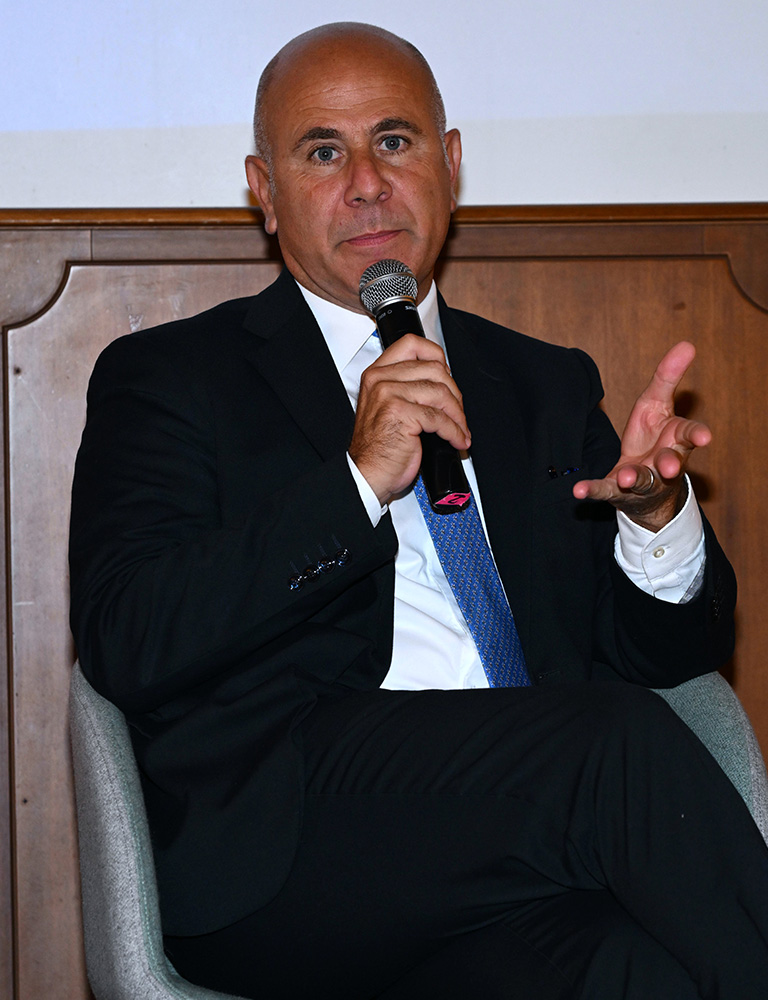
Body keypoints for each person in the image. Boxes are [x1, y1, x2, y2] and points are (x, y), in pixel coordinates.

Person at [68, 21, 768, 1000]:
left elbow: (668, 656)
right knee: (612, 742)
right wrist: (356, 480)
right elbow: (128, 638)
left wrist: (656, 520)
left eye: (393, 141)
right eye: (323, 152)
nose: (366, 182)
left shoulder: (542, 384)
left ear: (450, 164)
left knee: (644, 970)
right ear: (264, 191)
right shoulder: (172, 379)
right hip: (298, 849)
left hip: (519, 847)